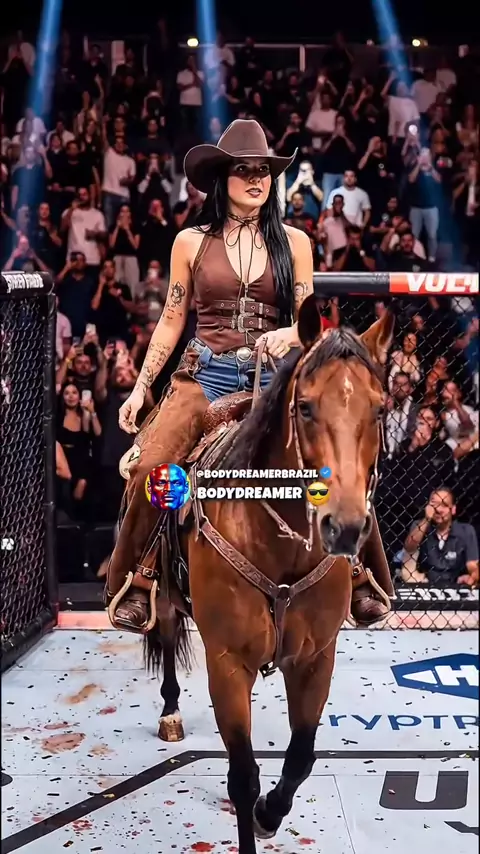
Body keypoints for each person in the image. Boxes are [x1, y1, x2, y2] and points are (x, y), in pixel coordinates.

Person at [105, 119, 394, 633]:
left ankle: (360, 576)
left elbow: (307, 318)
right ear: (223, 178)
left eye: (264, 171)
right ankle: (136, 581)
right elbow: (171, 318)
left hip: (273, 377)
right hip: (205, 375)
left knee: (335, 451)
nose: (257, 179)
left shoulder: (295, 241)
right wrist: (141, 386)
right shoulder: (190, 241)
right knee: (153, 466)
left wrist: (291, 334)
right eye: (245, 170)